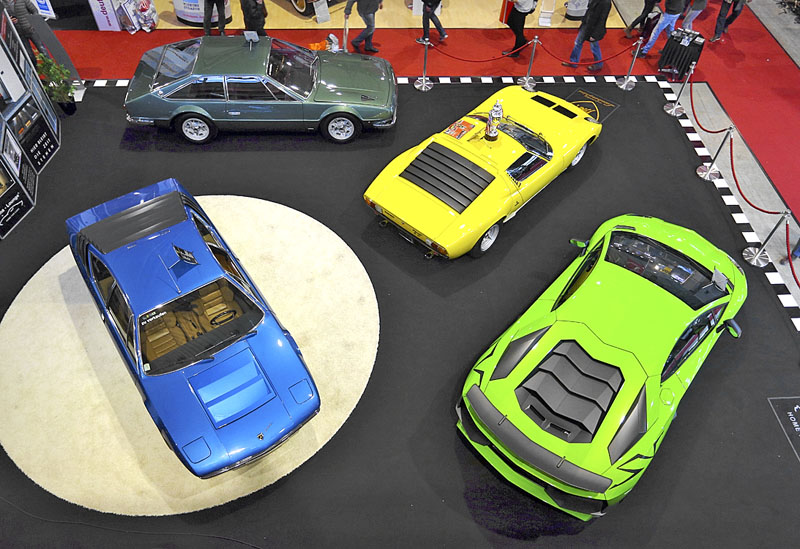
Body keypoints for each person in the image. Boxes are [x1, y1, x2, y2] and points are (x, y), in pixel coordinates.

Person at [562, 0, 611, 71]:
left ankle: (598, 64)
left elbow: (602, 20)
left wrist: (595, 35)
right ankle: (573, 62)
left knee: (594, 46)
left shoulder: (605, 3)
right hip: (586, 24)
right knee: (578, 43)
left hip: (593, 28)